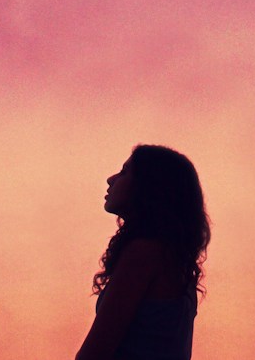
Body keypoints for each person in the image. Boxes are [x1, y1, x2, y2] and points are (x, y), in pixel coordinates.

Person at [75, 144, 209, 360]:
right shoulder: (174, 260)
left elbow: (94, 354)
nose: (111, 179)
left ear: (148, 187)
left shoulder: (144, 254)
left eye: (125, 171)